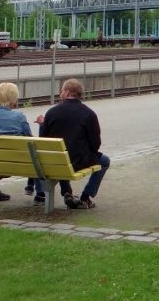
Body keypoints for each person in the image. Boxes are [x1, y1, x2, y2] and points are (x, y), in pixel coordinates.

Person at [40, 78, 110, 209]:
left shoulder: (52, 112)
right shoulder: (89, 114)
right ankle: (85, 197)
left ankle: (67, 192)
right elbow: (96, 144)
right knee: (105, 161)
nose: (60, 93)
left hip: (56, 161)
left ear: (67, 92)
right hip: (79, 161)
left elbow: (43, 139)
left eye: (61, 91)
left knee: (61, 157)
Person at [0, 82, 45, 204]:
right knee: (36, 154)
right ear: (13, 99)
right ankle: (40, 194)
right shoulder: (19, 117)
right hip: (18, 163)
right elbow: (29, 139)